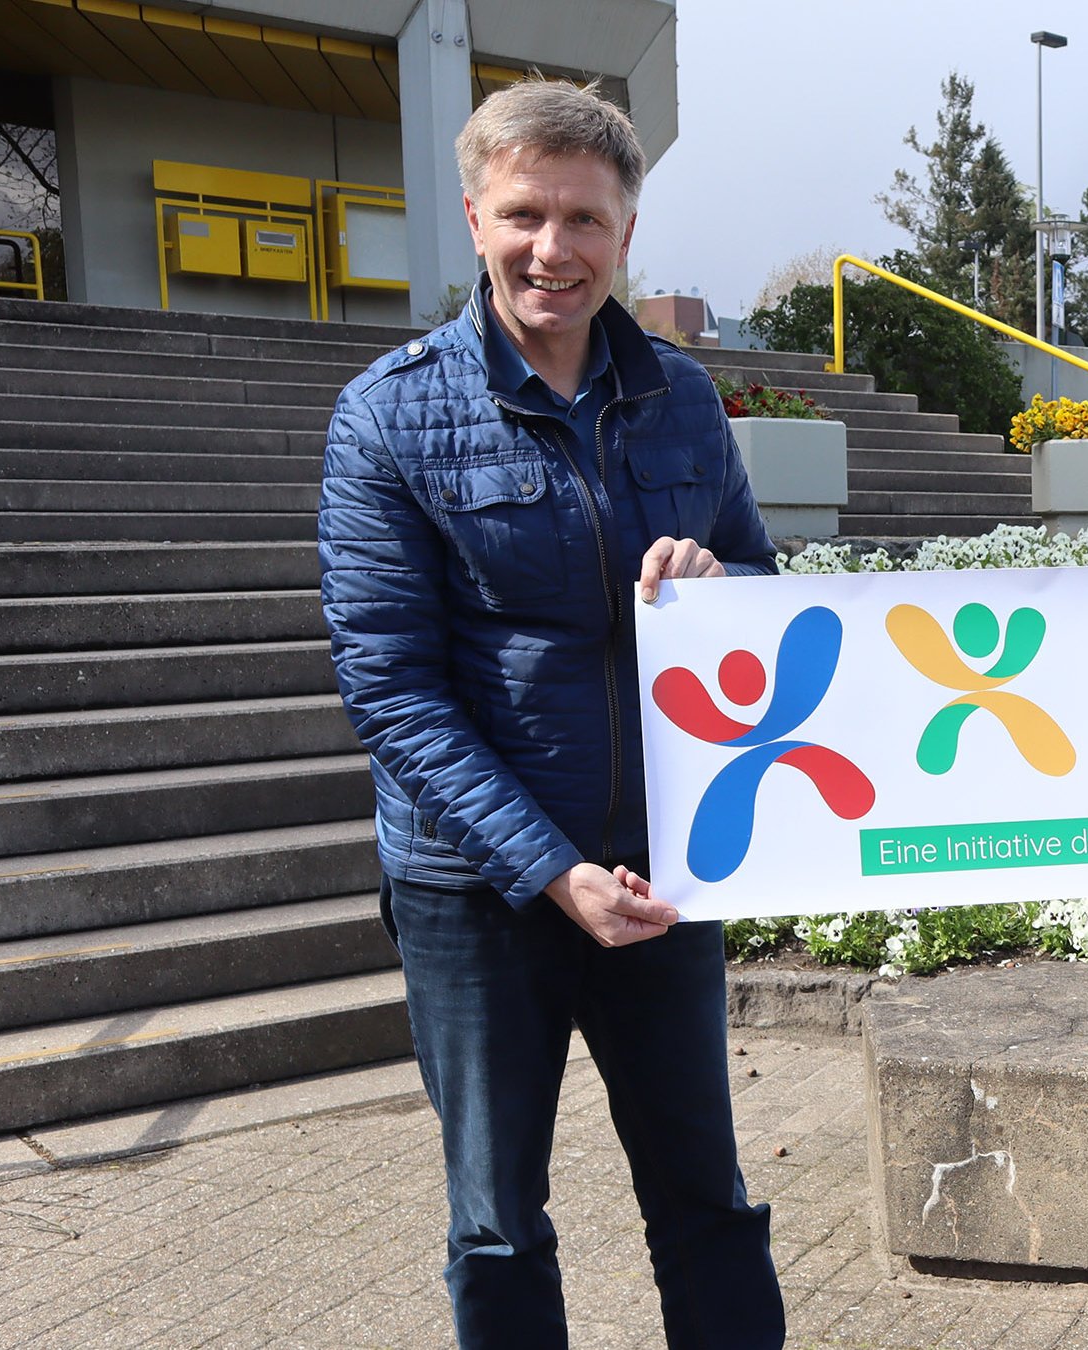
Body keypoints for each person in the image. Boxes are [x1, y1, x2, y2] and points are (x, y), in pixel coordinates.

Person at [317, 80, 784, 1349]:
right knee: (498, 1225)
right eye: (526, 213)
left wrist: (718, 581)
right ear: (474, 218)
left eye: (586, 218)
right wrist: (551, 870)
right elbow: (393, 690)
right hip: (479, 896)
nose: (554, 249)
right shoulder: (389, 415)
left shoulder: (681, 396)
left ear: (627, 231)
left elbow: (763, 584)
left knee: (708, 1202)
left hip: (666, 870)